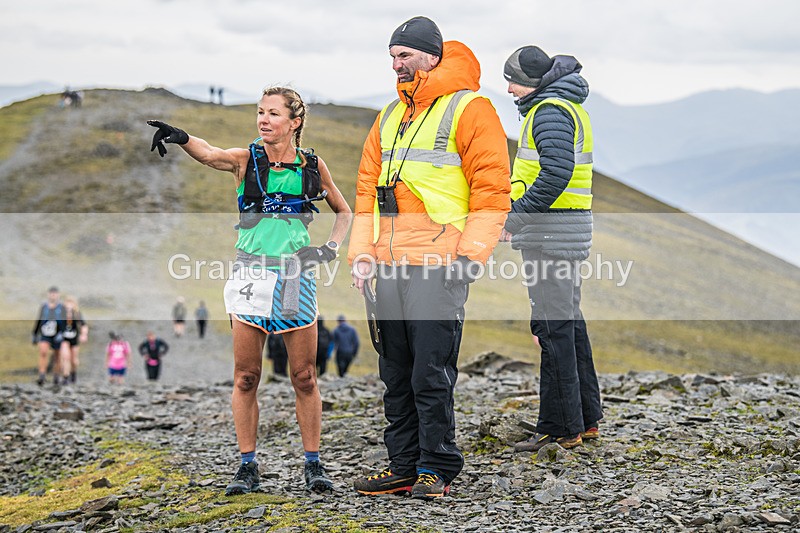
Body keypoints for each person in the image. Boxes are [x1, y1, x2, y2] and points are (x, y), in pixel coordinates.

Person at [147, 85, 352, 495]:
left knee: (305, 376)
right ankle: (247, 465)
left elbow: (344, 211)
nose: (263, 120)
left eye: (273, 114)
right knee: (245, 377)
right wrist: (181, 137)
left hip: (296, 275)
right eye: (260, 112)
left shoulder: (312, 165)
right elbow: (209, 153)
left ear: (295, 122)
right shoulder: (246, 160)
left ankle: (313, 465)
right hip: (250, 276)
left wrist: (328, 250)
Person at [348, 16, 511, 499]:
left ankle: (436, 467)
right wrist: (362, 255)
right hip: (389, 265)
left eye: (405, 56)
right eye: (392, 57)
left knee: (429, 371)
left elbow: (491, 189)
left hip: (441, 263)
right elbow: (365, 194)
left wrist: (472, 256)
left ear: (432, 57)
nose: (396, 65)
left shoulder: (471, 108)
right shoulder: (389, 116)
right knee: (394, 371)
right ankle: (402, 466)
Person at [500, 45, 603, 453]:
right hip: (563, 229)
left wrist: (517, 216)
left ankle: (561, 428)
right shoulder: (563, 107)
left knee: (552, 328)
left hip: (550, 233)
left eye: (514, 80)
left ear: (534, 82)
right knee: (568, 323)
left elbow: (556, 171)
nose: (508, 89)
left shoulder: (550, 112)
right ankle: (585, 418)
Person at [31, 286, 67, 386]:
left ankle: (56, 376)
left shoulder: (61, 307)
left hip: (57, 334)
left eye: (55, 293)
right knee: (43, 352)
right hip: (45, 333)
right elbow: (38, 320)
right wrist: (34, 333)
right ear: (48, 294)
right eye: (51, 293)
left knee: (57, 356)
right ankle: (42, 375)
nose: (53, 295)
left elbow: (65, 322)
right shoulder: (44, 307)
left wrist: (62, 333)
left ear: (58, 295)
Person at [60, 296, 88, 384]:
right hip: (64, 339)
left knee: (74, 360)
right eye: (67, 307)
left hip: (74, 339)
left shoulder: (77, 314)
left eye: (70, 307)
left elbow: (84, 325)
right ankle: (65, 376)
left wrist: (84, 335)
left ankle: (73, 373)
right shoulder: (61, 315)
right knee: (66, 357)